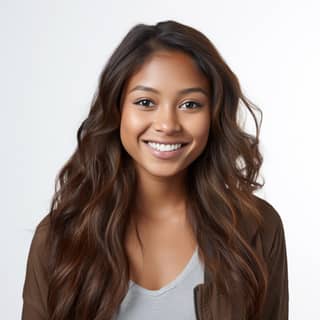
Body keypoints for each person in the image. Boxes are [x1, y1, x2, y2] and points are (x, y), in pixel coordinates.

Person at [22, 20, 289, 320]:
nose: (167, 125)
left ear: (214, 115)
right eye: (145, 102)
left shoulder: (256, 229)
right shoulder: (60, 237)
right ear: (116, 109)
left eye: (190, 104)